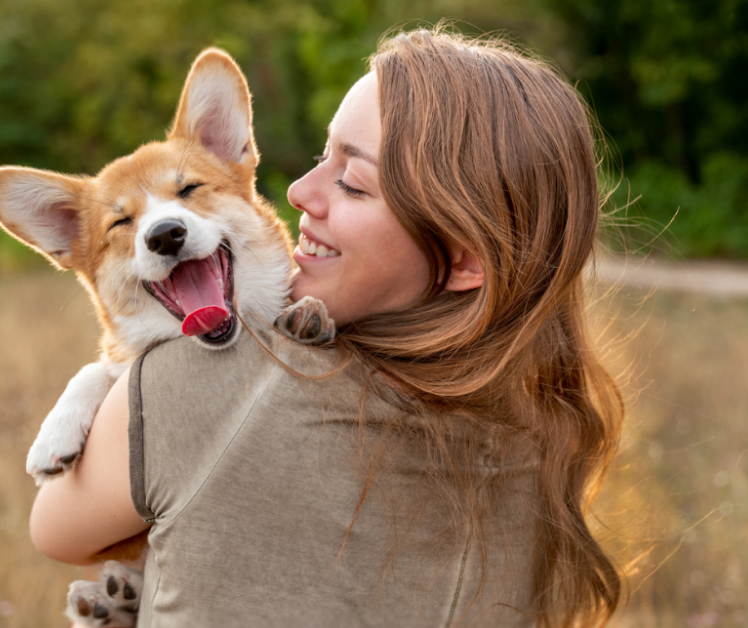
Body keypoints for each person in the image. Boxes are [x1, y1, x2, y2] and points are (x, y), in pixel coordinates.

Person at [30, 27, 624, 627]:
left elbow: (53, 531)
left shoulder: (196, 386)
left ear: (466, 258)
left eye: (353, 181)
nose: (294, 192)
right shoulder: (543, 437)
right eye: (322, 156)